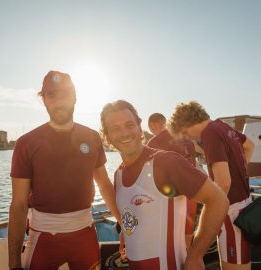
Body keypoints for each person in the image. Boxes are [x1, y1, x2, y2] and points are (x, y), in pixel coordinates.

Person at [8, 71, 121, 270]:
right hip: (43, 238)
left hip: (85, 233)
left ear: (75, 96)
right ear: (43, 100)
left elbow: (104, 184)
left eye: (65, 93)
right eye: (51, 94)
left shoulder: (92, 137)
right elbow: (18, 204)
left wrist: (125, 227)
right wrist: (14, 261)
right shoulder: (27, 143)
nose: (59, 100)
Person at [100, 99, 229, 270]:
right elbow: (131, 213)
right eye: (115, 128)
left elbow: (219, 200)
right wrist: (126, 231)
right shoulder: (119, 174)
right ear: (107, 136)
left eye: (129, 125)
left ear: (140, 128)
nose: (124, 133)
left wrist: (196, 256)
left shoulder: (166, 162)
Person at [169, 101, 255, 270]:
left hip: (230, 212)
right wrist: (239, 170)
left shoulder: (209, 133)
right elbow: (249, 146)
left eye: (185, 132)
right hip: (244, 206)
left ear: (189, 121)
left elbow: (223, 183)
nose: (188, 137)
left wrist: (210, 213)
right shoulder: (222, 127)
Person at [147, 113, 198, 248]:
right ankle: (189, 260)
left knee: (170, 239)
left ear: (154, 125)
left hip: (170, 197)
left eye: (151, 126)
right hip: (191, 195)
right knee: (187, 234)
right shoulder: (186, 140)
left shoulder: (153, 142)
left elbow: (147, 174)